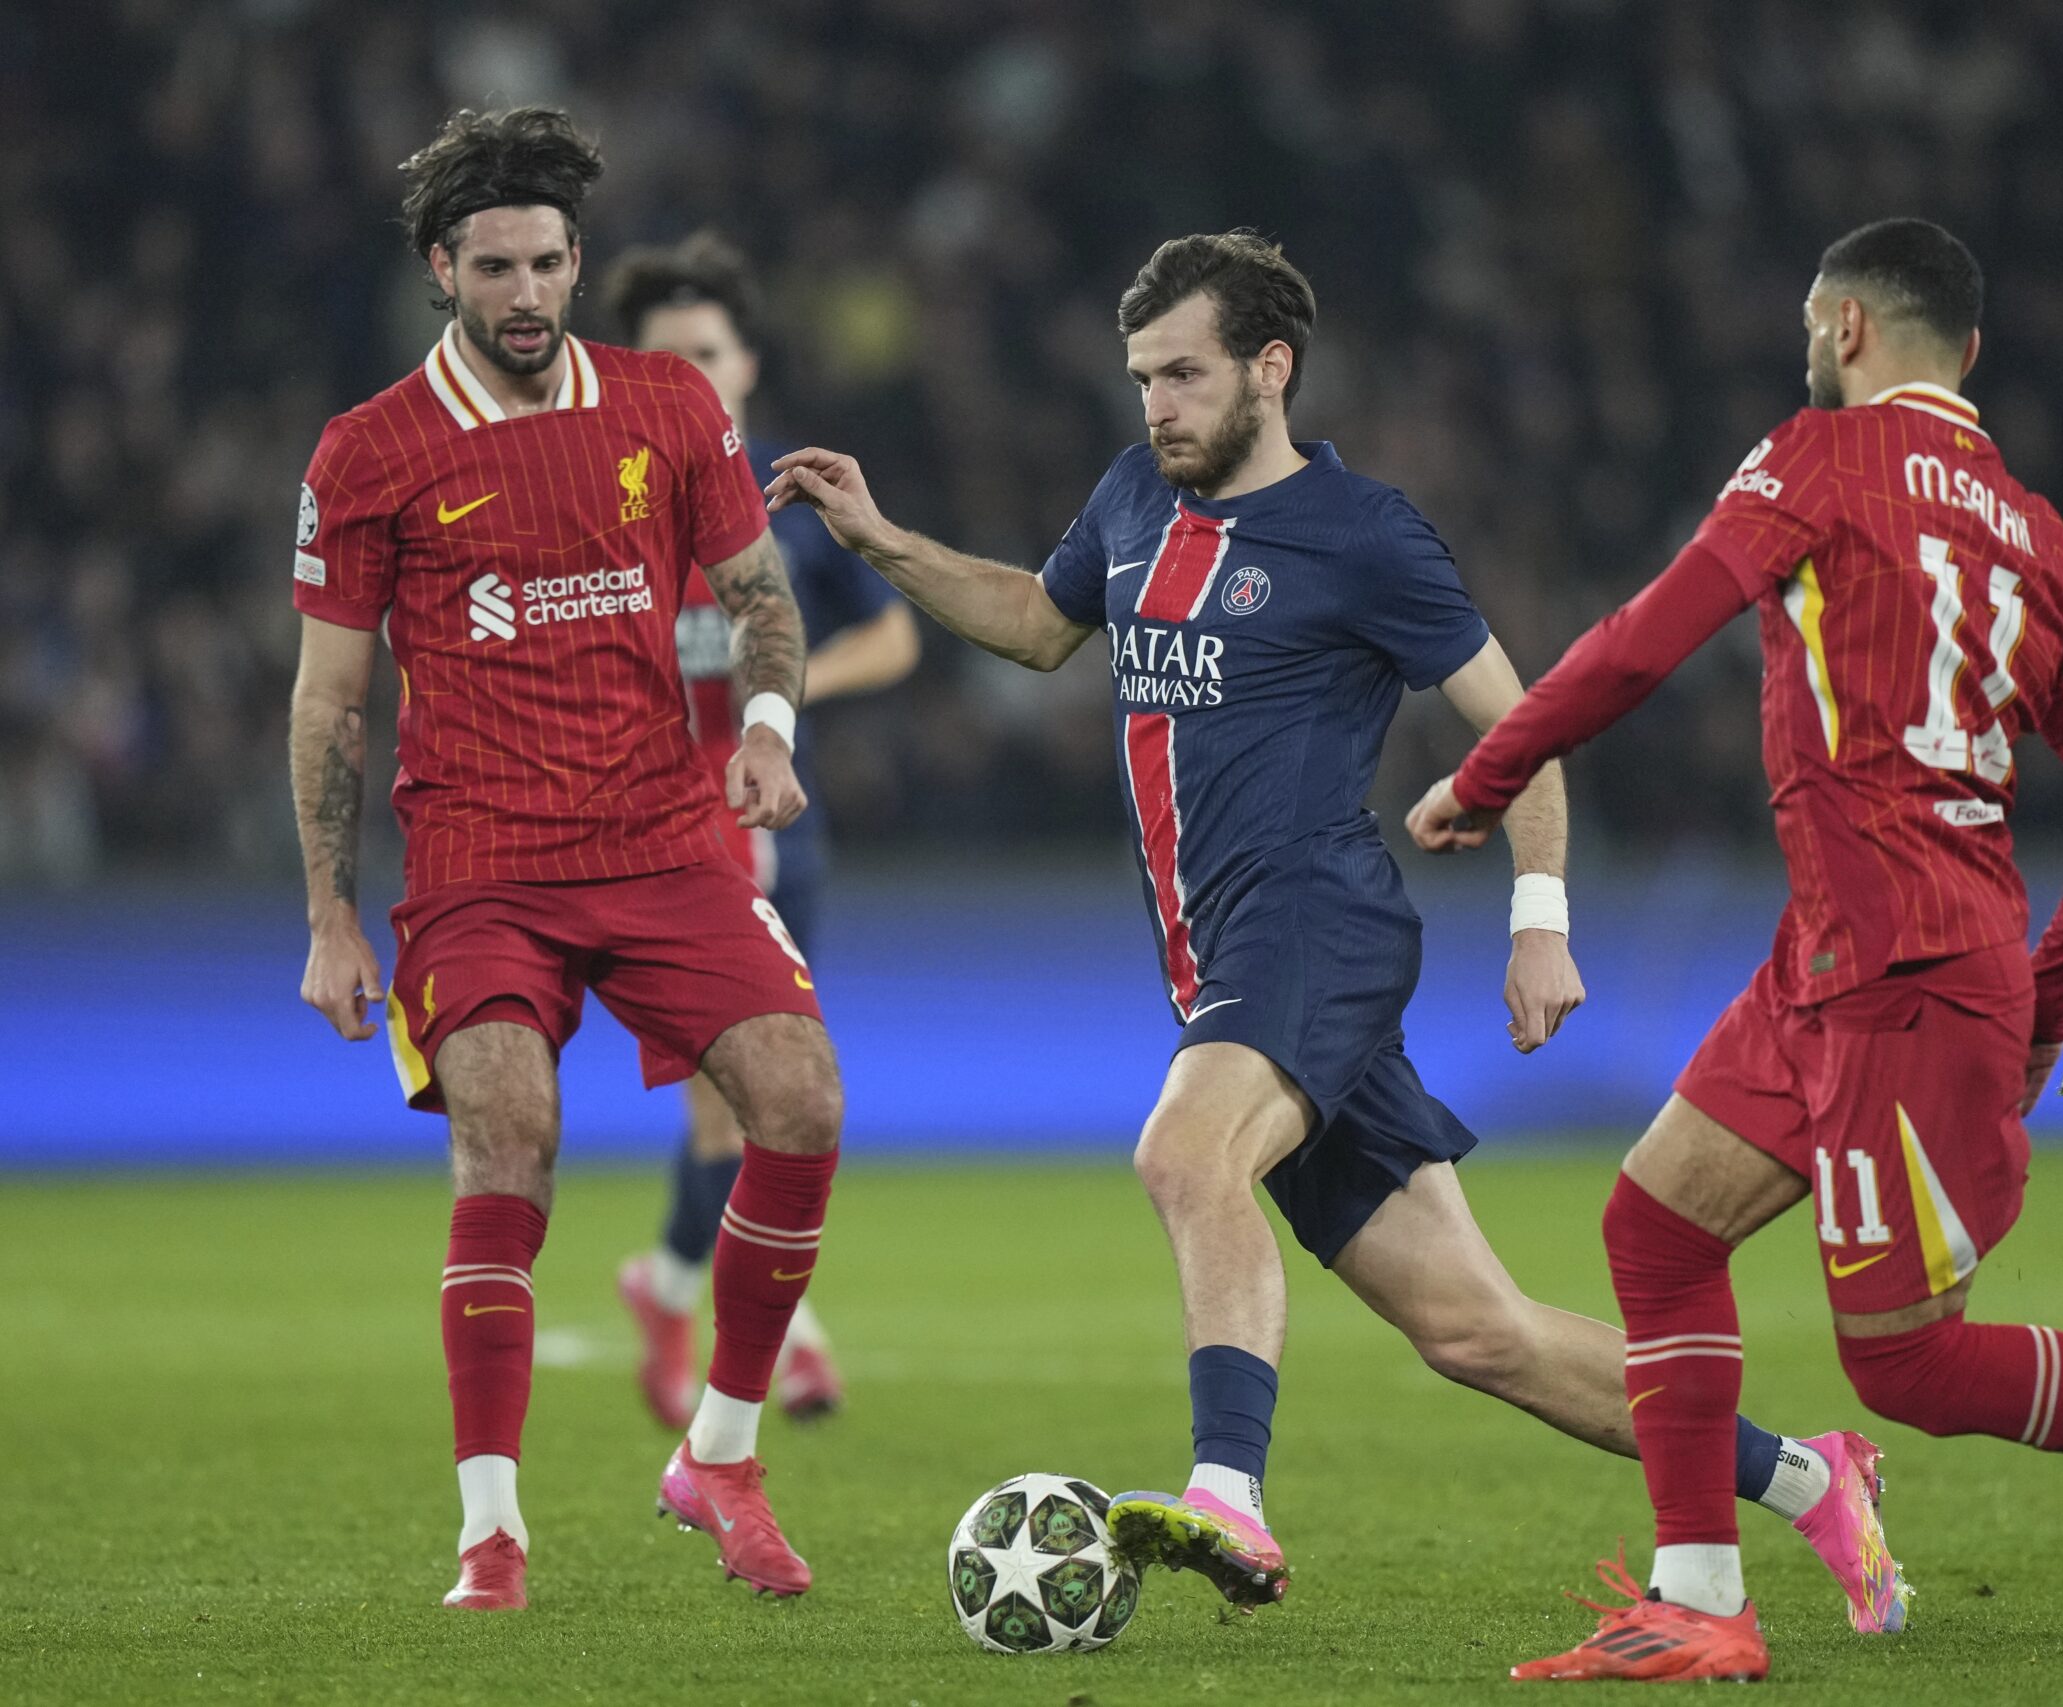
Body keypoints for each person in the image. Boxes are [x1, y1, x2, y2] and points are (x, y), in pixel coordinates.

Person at [767, 231, 1908, 1631]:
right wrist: (884, 542)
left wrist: (1538, 919)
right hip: (1221, 966)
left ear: (1271, 368)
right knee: (1480, 1331)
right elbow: (1038, 621)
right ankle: (1813, 1478)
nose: (1156, 405)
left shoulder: (1365, 534)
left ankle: (1228, 1493)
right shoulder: (1131, 495)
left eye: (1184, 375)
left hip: (1317, 927)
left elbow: (1525, 727)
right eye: (1142, 378)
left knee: (1184, 1154)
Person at [1407, 217, 2063, 1684]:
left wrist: (1486, 775)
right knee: (1656, 1227)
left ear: (1846, 327)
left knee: (1908, 1360)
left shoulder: (1817, 458)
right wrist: (2047, 1002)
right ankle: (1699, 1596)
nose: (1809, 342)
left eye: (1812, 319)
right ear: (1966, 351)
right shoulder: (2033, 533)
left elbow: (1645, 639)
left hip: (1903, 976)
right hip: (1846, 957)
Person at [288, 107, 845, 1611]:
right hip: (480, 859)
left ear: (578, 259)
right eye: (495, 269)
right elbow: (332, 700)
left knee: (802, 1098)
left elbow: (760, 595)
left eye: (546, 264)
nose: (526, 294)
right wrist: (331, 914)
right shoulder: (369, 450)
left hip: (665, 838)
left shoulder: (668, 403)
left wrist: (770, 730)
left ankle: (719, 1458)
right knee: (510, 1134)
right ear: (441, 271)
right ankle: (492, 1532)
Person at [601, 231, 920, 1431]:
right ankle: (787, 1339)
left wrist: (780, 697)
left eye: (706, 352)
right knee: (730, 1113)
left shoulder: (786, 503)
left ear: (745, 365)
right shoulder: (603, 505)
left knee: (771, 1104)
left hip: (783, 832)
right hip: (659, 846)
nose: (688, 374)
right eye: (663, 357)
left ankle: (667, 1284)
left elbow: (893, 636)